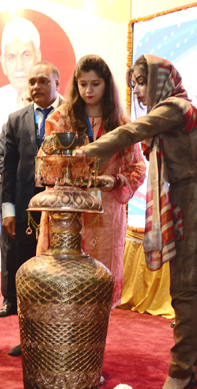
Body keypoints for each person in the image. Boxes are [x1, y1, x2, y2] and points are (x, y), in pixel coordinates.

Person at [75, 54, 197, 389]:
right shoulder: (174, 110)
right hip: (187, 204)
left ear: (162, 81)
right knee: (188, 289)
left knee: (188, 291)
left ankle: (181, 371)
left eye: (143, 82)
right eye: (135, 84)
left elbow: (131, 131)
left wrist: (83, 153)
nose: (138, 91)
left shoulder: (176, 108)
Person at [36, 54, 146, 309]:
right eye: (83, 84)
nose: (88, 90)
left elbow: (138, 169)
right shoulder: (60, 119)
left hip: (106, 215)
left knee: (99, 286)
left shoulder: (121, 124)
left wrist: (115, 180)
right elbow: (45, 163)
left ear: (106, 84)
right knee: (61, 280)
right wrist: (72, 170)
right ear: (76, 84)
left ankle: (94, 332)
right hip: (66, 212)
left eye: (95, 84)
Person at [0, 61, 64, 355]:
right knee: (28, 274)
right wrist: (8, 210)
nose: (36, 86)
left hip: (62, 210)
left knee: (59, 274)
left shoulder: (71, 116)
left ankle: (60, 340)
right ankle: (30, 340)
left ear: (57, 83)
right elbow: (8, 169)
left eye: (43, 81)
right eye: (32, 81)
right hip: (27, 212)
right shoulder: (16, 120)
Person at [0, 90, 33, 317]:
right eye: (27, 100)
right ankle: (9, 299)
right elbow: (0, 159)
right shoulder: (12, 123)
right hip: (12, 195)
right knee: (9, 251)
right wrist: (19, 175)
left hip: (38, 197)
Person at [0, 17, 42, 170]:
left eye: (26, 55)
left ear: (38, 58)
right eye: (11, 57)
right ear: (3, 63)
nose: (19, 66)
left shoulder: (56, 107)